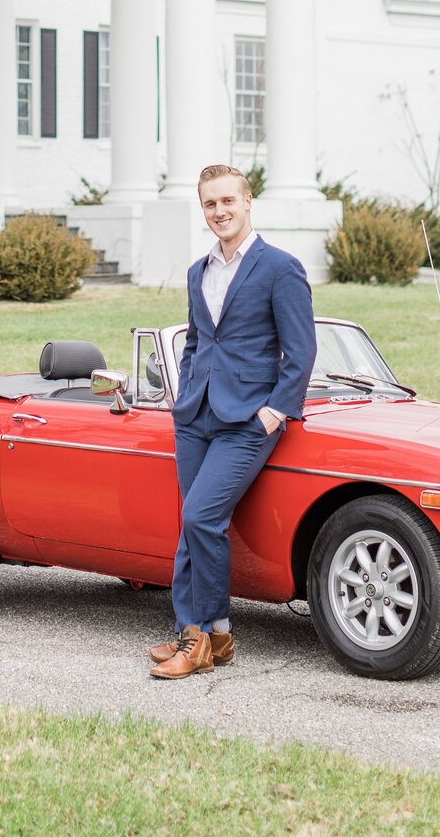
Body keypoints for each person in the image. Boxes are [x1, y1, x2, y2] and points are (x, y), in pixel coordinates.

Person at [149, 163, 317, 679]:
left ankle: (198, 646)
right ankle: (207, 635)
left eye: (227, 201)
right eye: (209, 204)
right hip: (195, 415)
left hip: (247, 421)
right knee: (191, 526)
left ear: (248, 201)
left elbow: (302, 350)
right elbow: (198, 341)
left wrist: (273, 413)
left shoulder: (279, 267)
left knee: (202, 518)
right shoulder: (198, 271)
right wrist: (183, 393)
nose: (219, 211)